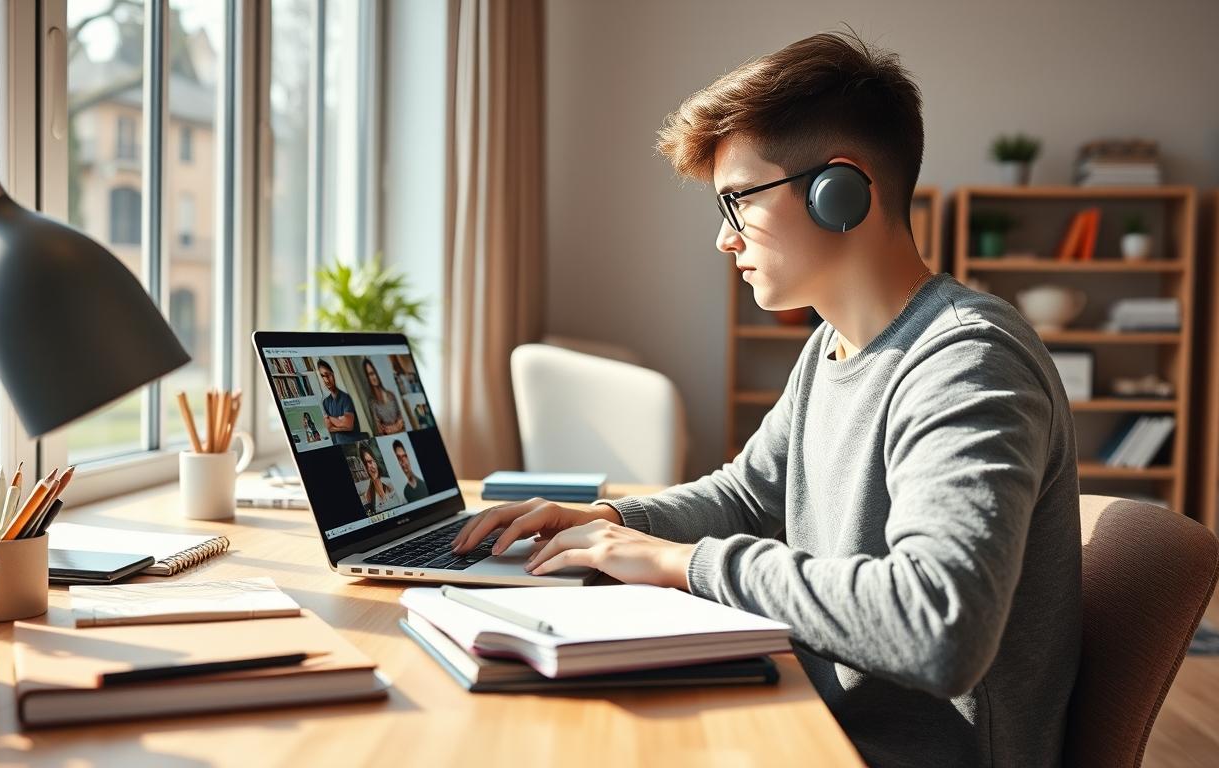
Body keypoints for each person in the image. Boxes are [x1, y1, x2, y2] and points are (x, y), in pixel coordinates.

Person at [452, 31, 1081, 768]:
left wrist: (677, 564)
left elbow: (938, 625)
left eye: (737, 201)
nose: (724, 239)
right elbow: (749, 495)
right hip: (814, 722)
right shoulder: (833, 345)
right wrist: (613, 520)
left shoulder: (967, 361)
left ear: (839, 193)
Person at [317, 359, 363, 445]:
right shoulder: (326, 402)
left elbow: (348, 426)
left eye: (328, 375)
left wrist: (331, 420)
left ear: (333, 374)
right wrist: (339, 421)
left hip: (352, 443)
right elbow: (328, 426)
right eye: (323, 376)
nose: (326, 380)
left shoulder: (345, 398)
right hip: (337, 444)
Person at [362, 358, 406, 435]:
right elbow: (380, 431)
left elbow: (402, 422)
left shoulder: (391, 395)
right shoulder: (372, 402)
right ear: (368, 378)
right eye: (370, 374)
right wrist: (396, 427)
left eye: (375, 373)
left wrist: (392, 428)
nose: (374, 377)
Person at [359, 443, 405, 514]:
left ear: (375, 461)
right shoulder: (368, 495)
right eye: (365, 464)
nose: (369, 467)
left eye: (370, 461)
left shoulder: (391, 484)